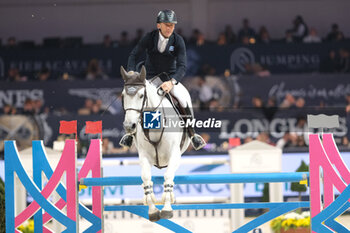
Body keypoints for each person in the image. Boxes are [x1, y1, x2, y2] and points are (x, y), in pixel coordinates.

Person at [120, 9, 206, 150]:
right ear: (158, 25)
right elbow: (134, 55)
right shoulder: (149, 38)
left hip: (169, 78)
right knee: (132, 96)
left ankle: (192, 135)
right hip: (150, 78)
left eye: (172, 25)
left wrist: (172, 82)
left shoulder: (178, 41)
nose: (170, 28)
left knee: (183, 99)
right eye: (167, 25)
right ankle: (129, 133)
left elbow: (182, 66)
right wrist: (131, 72)